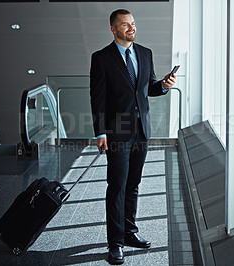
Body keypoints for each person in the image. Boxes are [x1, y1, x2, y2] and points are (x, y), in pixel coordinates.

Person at [89, 9, 176, 265]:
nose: (131, 28)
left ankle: (129, 232)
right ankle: (115, 243)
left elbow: (147, 88)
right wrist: (100, 131)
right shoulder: (102, 58)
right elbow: (98, 98)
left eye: (133, 24)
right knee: (117, 187)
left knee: (133, 184)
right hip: (116, 133)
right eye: (125, 25)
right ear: (113, 29)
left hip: (141, 131)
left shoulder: (145, 53)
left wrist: (163, 85)